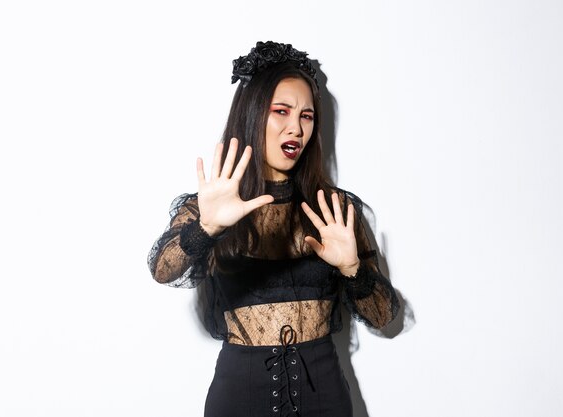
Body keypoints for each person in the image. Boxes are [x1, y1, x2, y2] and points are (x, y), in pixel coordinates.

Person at [147, 41, 400, 417]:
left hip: (324, 396)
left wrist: (352, 269)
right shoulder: (213, 204)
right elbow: (163, 270)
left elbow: (383, 316)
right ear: (251, 115)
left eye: (307, 116)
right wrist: (206, 227)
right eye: (281, 111)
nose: (295, 128)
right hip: (239, 396)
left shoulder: (333, 209)